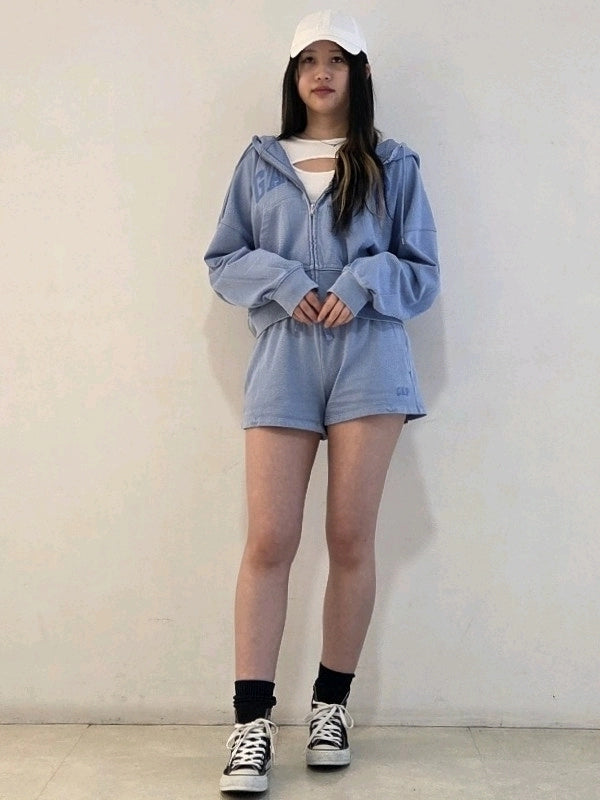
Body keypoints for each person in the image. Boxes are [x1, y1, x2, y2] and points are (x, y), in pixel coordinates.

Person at [204, 9, 440, 794]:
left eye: (337, 59)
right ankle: (251, 725)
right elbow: (224, 259)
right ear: (294, 74)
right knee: (269, 540)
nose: (321, 71)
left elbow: (421, 273)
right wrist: (283, 280)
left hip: (371, 356)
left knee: (350, 537)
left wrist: (364, 281)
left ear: (359, 74)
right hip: (284, 357)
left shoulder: (393, 163)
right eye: (309, 59)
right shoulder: (260, 162)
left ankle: (331, 708)